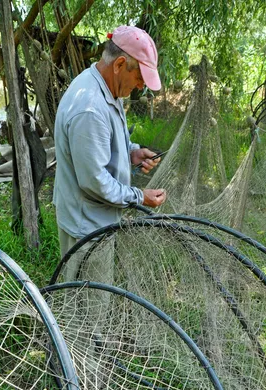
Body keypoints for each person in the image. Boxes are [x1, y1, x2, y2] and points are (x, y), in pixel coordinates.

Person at [53, 25, 167, 266]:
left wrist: (131, 154)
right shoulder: (90, 108)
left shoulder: (106, 88)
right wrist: (140, 197)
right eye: (139, 78)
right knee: (89, 302)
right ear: (119, 64)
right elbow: (95, 181)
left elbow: (104, 144)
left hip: (98, 221)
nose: (140, 87)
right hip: (86, 230)